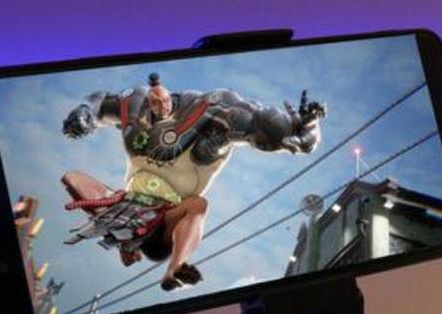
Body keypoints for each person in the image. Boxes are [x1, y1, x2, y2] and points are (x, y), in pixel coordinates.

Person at [61, 72, 326, 291]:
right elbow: (97, 103)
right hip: (143, 206)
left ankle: (173, 267)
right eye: (156, 105)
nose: (162, 107)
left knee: (200, 190)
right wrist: (85, 112)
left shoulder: (216, 109)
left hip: (159, 209)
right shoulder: (139, 105)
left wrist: (307, 128)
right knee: (197, 200)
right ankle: (166, 261)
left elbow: (282, 134)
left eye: (164, 103)